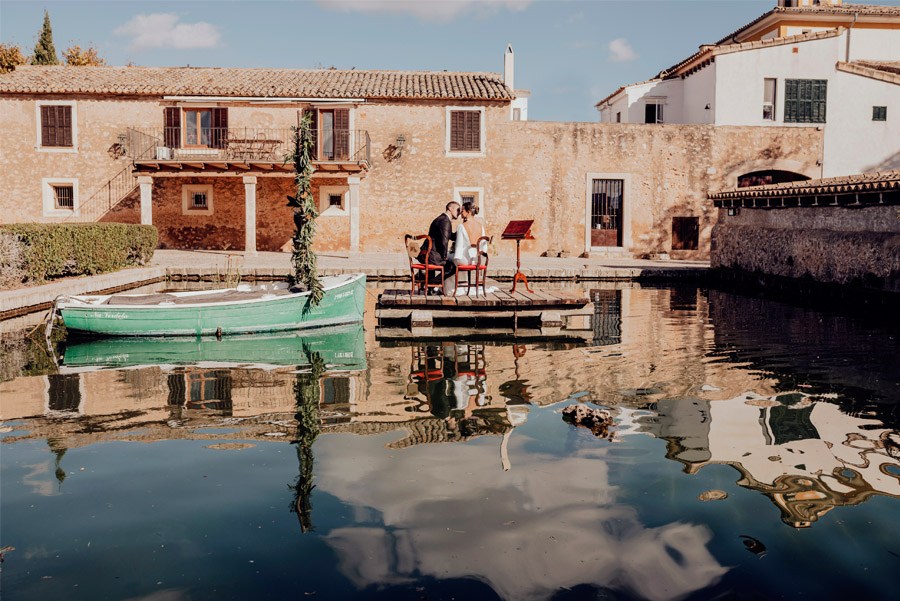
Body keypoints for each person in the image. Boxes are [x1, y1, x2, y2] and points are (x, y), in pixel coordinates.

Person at [445, 201, 490, 295]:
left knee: (448, 258)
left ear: (468, 212)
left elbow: (459, 246)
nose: (461, 213)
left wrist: (453, 258)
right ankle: (465, 285)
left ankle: (449, 287)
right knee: (453, 258)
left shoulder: (461, 226)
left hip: (465, 260)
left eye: (462, 211)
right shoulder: (481, 226)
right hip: (477, 260)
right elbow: (484, 246)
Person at [418, 201, 459, 288]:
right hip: (432, 255)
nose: (459, 213)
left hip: (428, 253)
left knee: (441, 267)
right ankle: (430, 284)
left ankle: (428, 286)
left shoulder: (442, 219)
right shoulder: (445, 221)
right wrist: (444, 256)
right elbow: (444, 241)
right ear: (450, 209)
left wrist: (462, 230)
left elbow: (450, 236)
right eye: (457, 210)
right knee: (451, 267)